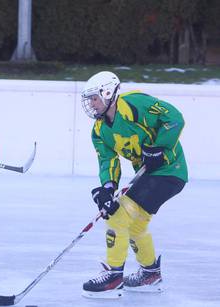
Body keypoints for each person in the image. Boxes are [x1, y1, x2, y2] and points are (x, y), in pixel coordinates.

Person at [79, 71, 187, 298]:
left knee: (118, 215)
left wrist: (160, 146)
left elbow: (175, 117)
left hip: (169, 170)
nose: (91, 103)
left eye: (94, 97)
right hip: (148, 175)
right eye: (88, 99)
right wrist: (107, 189)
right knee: (135, 225)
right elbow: (108, 161)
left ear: (108, 93)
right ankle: (150, 273)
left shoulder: (137, 103)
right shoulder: (99, 131)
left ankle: (113, 276)